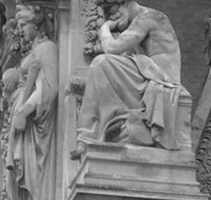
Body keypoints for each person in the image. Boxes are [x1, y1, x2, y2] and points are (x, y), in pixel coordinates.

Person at [76, 1, 184, 154]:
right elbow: (123, 56)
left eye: (111, 9)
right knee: (103, 70)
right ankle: (104, 126)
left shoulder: (148, 17)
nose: (110, 16)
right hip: (146, 74)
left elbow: (113, 49)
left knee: (101, 63)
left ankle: (87, 136)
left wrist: (104, 29)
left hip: (161, 77)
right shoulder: (134, 24)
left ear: (125, 3)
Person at [5, 4, 59, 200]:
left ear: (37, 24)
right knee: (24, 184)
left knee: (35, 181)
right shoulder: (37, 50)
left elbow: (49, 88)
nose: (20, 29)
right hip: (25, 127)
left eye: (24, 24)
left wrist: (25, 110)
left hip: (36, 127)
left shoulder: (47, 49)